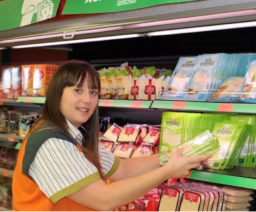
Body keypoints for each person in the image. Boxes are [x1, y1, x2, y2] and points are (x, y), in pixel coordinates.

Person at [12, 60, 211, 212]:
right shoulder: (52, 143)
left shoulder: (76, 136)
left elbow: (122, 169)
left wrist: (171, 156)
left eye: (93, 92)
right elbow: (104, 198)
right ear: (57, 94)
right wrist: (167, 171)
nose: (87, 100)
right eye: (78, 90)